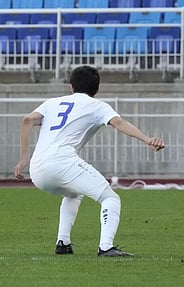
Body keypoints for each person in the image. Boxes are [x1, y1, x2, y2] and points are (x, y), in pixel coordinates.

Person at [14, 65, 165, 257]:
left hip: (37, 170)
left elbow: (27, 120)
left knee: (74, 194)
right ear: (97, 89)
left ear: (71, 86)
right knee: (110, 198)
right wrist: (146, 139)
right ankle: (106, 247)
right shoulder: (97, 106)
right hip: (62, 163)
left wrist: (23, 159)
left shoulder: (52, 103)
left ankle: (63, 242)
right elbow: (119, 123)